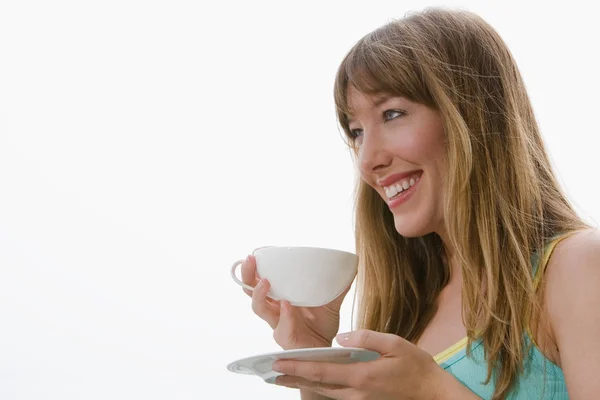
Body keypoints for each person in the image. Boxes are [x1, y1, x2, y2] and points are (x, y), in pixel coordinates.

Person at [239, 7, 600, 399]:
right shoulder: (409, 312)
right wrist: (313, 361)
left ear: (471, 114)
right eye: (357, 132)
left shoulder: (578, 268)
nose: (368, 159)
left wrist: (430, 390)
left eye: (392, 114)